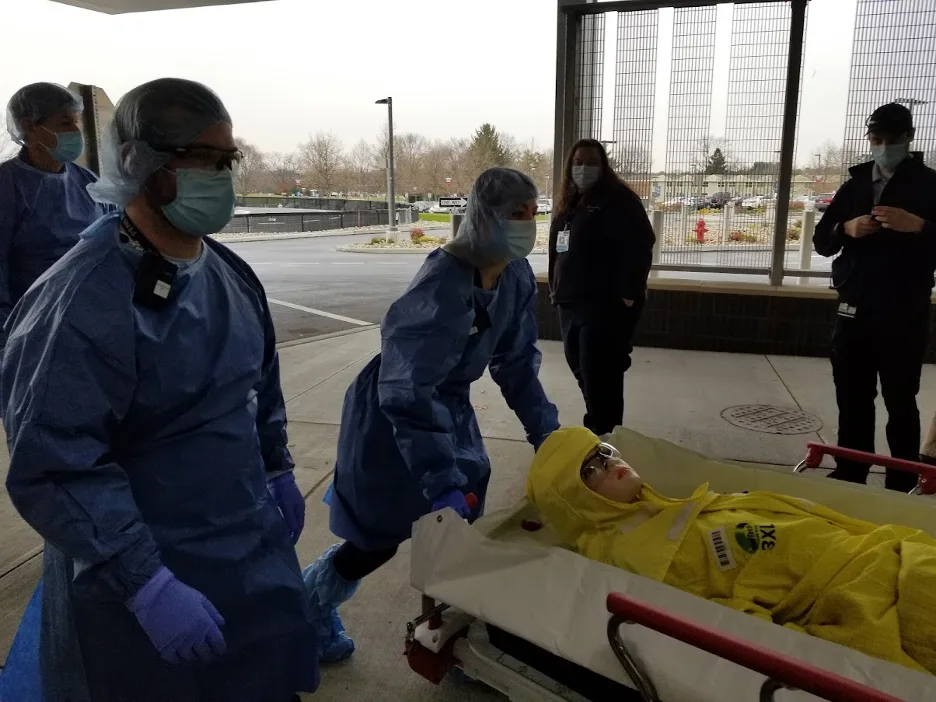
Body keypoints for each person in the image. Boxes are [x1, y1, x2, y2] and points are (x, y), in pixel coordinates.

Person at [0, 78, 315, 702]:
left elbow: (260, 390)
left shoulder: (228, 274)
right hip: (144, 576)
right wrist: (143, 582)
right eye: (199, 160)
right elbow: (60, 465)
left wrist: (277, 467)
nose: (219, 176)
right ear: (138, 164)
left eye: (227, 161)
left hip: (245, 549)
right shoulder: (83, 298)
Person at [303, 167, 560, 663]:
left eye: (533, 213)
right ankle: (308, 608)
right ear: (486, 216)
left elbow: (517, 362)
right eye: (515, 214)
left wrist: (546, 432)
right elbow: (406, 389)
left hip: (450, 409)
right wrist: (439, 474)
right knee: (377, 536)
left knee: (458, 537)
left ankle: (453, 636)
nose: (527, 224)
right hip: (390, 416)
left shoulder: (514, 276)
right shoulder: (442, 284)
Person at [527, 427, 936, 675]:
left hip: (887, 553)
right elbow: (735, 624)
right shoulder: (644, 556)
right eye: (589, 472)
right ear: (576, 503)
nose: (609, 462)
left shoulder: (668, 510)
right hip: (868, 590)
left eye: (603, 451)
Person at [814, 102, 936, 493]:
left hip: (904, 310)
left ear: (908, 138)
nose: (883, 147)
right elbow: (821, 241)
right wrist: (845, 228)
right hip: (855, 307)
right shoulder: (855, 185)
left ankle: (901, 478)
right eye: (877, 139)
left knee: (900, 399)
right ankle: (850, 470)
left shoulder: (929, 185)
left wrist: (918, 226)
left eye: (892, 140)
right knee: (852, 396)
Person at [548, 138, 655, 439]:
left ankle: (604, 435)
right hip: (570, 301)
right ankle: (600, 424)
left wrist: (628, 294)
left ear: (603, 165)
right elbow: (559, 247)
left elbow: (641, 244)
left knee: (600, 373)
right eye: (578, 162)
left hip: (604, 305)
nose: (583, 168)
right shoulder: (569, 201)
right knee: (581, 368)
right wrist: (556, 288)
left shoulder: (619, 199)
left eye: (591, 162)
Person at [1, 83, 109, 344]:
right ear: (30, 126)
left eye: (75, 122)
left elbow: (114, 243)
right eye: (64, 123)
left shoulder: (88, 182)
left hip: (93, 320)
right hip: (29, 326)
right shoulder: (7, 186)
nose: (75, 132)